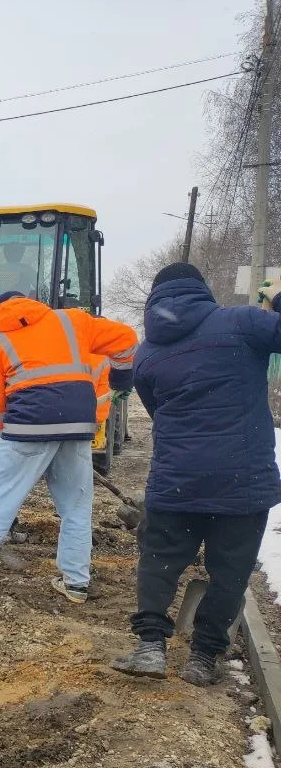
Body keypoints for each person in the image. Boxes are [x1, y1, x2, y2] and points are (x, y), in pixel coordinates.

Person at [112, 264, 281, 685]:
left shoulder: (146, 353)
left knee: (158, 559)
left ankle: (150, 647)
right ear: (201, 290)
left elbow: (157, 410)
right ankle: (203, 658)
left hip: (177, 478)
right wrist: (276, 297)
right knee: (230, 570)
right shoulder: (242, 322)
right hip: (241, 481)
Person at [0, 291, 137, 602]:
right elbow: (126, 338)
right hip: (77, 424)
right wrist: (123, 380)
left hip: (27, 425)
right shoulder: (72, 321)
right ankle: (76, 583)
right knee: (76, 507)